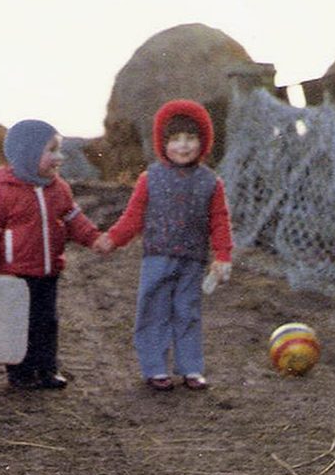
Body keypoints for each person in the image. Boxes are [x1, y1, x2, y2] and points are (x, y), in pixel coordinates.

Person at [94, 99, 233, 392]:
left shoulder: (211, 183)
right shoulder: (150, 178)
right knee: (154, 310)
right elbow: (133, 216)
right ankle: (155, 368)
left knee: (187, 311)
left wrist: (222, 254)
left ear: (203, 142)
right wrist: (113, 239)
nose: (183, 146)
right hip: (157, 258)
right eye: (175, 139)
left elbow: (220, 221)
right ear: (162, 142)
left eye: (191, 138)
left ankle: (191, 367)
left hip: (193, 261)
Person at [0, 119, 102, 390]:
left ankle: (47, 370)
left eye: (59, 150)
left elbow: (74, 219)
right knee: (18, 323)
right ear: (28, 154)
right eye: (51, 151)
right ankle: (19, 373)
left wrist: (94, 239)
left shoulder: (59, 189)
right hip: (15, 275)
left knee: (47, 322)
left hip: (47, 272)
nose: (59, 157)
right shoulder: (1, 193)